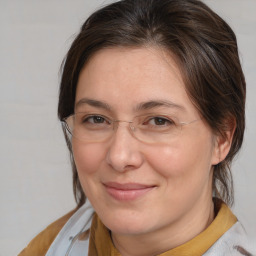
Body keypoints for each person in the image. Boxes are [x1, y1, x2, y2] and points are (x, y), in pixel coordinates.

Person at [19, 0, 254, 255]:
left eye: (158, 121)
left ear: (222, 138)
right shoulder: (47, 248)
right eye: (97, 119)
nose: (119, 157)